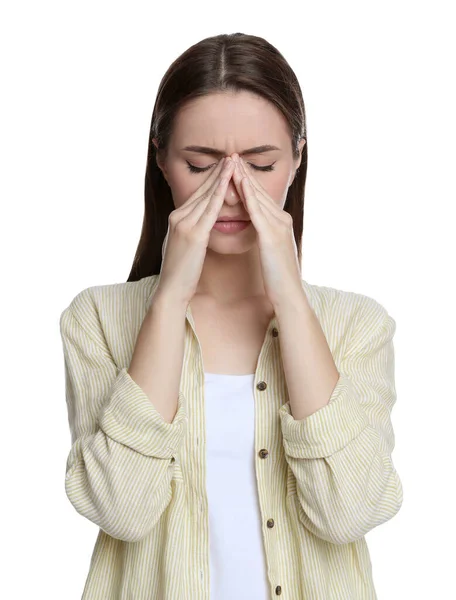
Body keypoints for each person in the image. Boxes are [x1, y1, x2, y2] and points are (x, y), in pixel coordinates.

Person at [59, 32, 403, 599]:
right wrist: (169, 298)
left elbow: (349, 513)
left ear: (296, 161)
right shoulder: (97, 319)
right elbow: (121, 509)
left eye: (261, 165)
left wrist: (290, 296)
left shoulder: (356, 326)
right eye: (201, 165)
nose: (231, 191)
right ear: (162, 161)